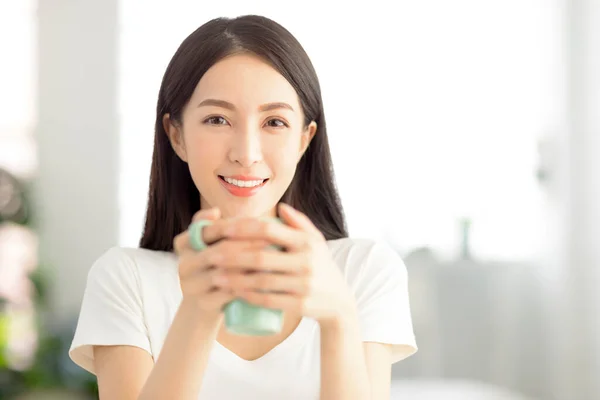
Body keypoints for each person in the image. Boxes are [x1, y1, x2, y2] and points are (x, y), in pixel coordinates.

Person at [69, 14, 417, 400]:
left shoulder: (363, 270)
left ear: (305, 139)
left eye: (274, 122)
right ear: (176, 135)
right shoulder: (126, 279)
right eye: (217, 119)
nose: (246, 154)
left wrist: (338, 318)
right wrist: (197, 314)